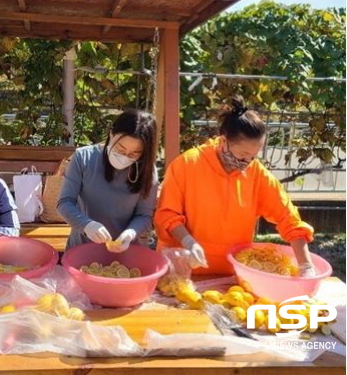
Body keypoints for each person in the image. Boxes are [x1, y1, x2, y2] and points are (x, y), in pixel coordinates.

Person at [154, 95, 317, 276]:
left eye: (253, 156)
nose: (247, 162)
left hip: (234, 274)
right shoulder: (187, 164)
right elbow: (167, 215)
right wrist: (188, 242)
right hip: (183, 270)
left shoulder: (257, 174)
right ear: (223, 141)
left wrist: (306, 266)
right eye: (242, 156)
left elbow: (289, 219)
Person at [57, 109, 159, 253]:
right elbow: (64, 203)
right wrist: (87, 225)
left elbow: (144, 215)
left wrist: (130, 233)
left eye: (134, 154)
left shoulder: (147, 171)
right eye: (120, 148)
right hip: (81, 249)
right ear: (111, 134)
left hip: (126, 252)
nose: (125, 156)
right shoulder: (83, 158)